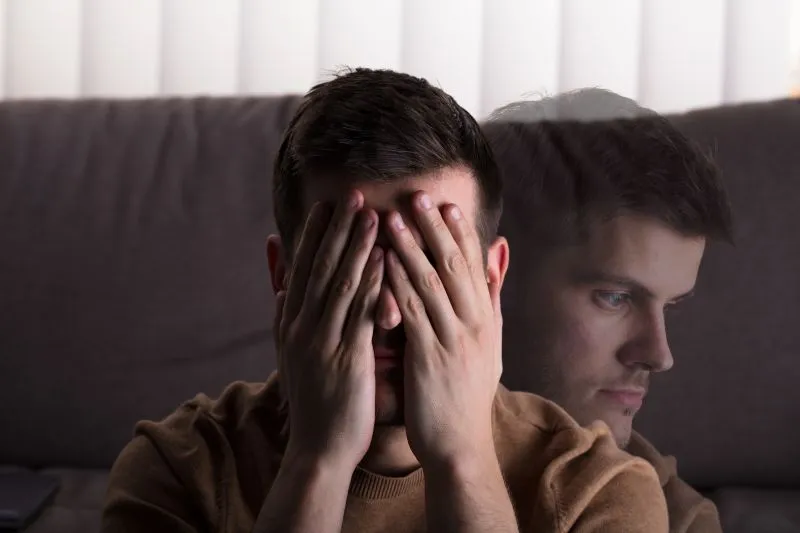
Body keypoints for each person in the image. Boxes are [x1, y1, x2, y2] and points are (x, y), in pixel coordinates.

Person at [101, 69, 669, 533]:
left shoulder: (600, 491)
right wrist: (316, 462)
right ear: (285, 276)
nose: (391, 313)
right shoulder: (177, 470)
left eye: (425, 268)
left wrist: (463, 458)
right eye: (351, 264)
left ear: (491, 280)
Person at [482, 88, 733, 533]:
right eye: (615, 298)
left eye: (670, 307)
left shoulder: (679, 516)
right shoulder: (350, 454)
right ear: (498, 279)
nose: (659, 355)